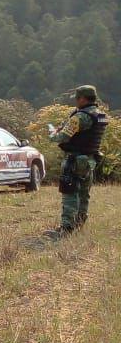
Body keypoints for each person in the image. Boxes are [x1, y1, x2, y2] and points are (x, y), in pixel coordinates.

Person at [48, 85, 109, 237]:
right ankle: (80, 224)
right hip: (91, 160)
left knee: (69, 192)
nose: (75, 101)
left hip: (75, 160)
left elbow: (62, 137)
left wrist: (52, 134)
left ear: (83, 98)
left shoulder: (80, 117)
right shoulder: (101, 115)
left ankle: (67, 228)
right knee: (83, 194)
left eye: (76, 98)